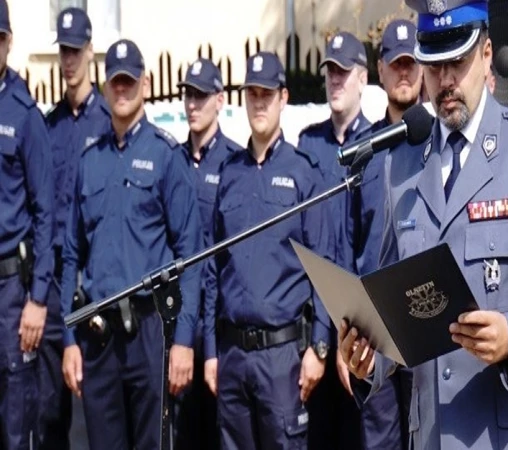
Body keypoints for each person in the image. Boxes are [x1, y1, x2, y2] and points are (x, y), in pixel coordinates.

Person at [339, 1, 508, 449]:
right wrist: (369, 358)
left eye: (457, 61)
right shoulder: (400, 166)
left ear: (487, 53)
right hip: (432, 435)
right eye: (434, 67)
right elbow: (393, 302)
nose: (446, 81)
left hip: (506, 435)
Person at [60, 39, 202, 450]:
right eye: (115, 82)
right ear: (105, 87)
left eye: (129, 81)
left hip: (151, 333)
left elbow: (190, 257)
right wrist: (69, 341)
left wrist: (182, 342)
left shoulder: (165, 155)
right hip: (98, 336)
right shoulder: (90, 160)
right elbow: (71, 255)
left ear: (145, 82)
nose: (122, 90)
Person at [203, 51, 334, 449]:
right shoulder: (229, 174)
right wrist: (210, 351)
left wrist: (320, 347)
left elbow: (324, 267)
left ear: (283, 98)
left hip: (283, 359)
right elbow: (212, 269)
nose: (258, 103)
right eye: (251, 94)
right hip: (232, 356)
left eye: (266, 94)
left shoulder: (303, 173)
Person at [344, 18, 422, 450]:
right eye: (397, 64)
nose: (405, 73)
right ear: (381, 70)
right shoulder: (363, 153)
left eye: (412, 63)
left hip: (427, 325)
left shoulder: (440, 145)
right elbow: (347, 244)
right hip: (376, 333)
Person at [297, 31, 370, 449]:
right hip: (315, 322)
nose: (336, 81)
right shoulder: (309, 143)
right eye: (331, 73)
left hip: (359, 325)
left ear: (362, 78)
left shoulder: (378, 144)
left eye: (344, 73)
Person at [43, 8, 110, 449]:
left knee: (102, 416)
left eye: (75, 50)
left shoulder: (109, 118)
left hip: (99, 285)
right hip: (54, 282)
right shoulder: (47, 124)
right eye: (63, 51)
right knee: (51, 414)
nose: (68, 60)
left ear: (90, 51)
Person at [174, 57, 241, 450]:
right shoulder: (174, 160)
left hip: (217, 323)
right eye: (188, 95)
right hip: (180, 319)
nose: (193, 104)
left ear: (219, 99)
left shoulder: (234, 161)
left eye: (201, 95)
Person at [0, 2, 54, 448]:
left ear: (8, 42)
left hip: (11, 294)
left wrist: (38, 298)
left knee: (17, 422)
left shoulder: (24, 115)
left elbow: (45, 214)